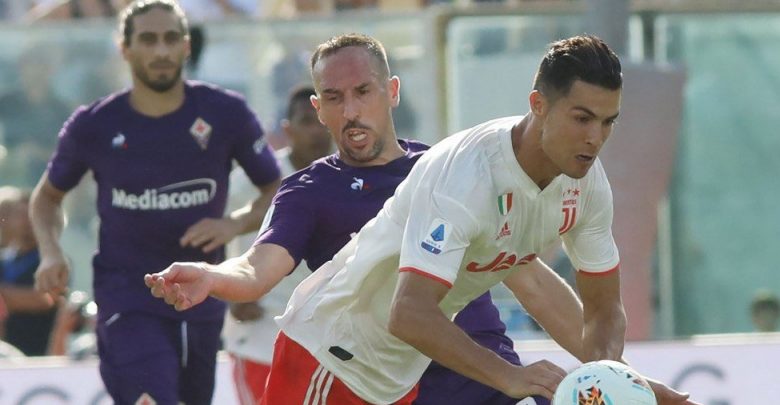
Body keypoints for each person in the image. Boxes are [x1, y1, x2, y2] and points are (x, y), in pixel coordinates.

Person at [147, 34, 698, 405]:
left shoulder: (584, 183)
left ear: (391, 93)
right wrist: (213, 276)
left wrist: (614, 384)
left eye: (608, 122)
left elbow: (548, 288)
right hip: (331, 360)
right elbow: (403, 311)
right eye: (582, 118)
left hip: (402, 374)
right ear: (538, 105)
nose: (596, 138)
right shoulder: (462, 174)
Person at [30, 1, 281, 404]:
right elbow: (46, 198)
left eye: (171, 38)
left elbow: (275, 189)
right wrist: (50, 251)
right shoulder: (94, 124)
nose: (161, 50)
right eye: (148, 39)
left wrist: (233, 224)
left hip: (200, 296)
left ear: (186, 46)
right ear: (125, 49)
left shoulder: (226, 113)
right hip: (126, 298)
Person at [222, 85, 333, 405]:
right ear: (288, 129)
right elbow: (212, 233)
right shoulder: (253, 181)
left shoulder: (352, 179)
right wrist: (229, 291)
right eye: (306, 121)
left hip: (326, 343)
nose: (316, 131)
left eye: (322, 121)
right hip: (261, 338)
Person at [0, 186, 56, 356]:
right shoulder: (4, 260)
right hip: (6, 352)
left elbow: (45, 299)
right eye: (20, 215)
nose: (26, 221)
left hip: (37, 355)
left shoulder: (51, 260)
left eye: (32, 214)